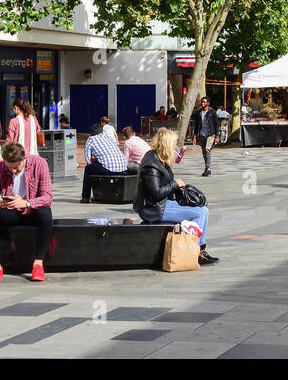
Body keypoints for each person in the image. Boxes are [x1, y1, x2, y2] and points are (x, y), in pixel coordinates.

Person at [0, 141, 54, 282]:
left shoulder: (39, 163)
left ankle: (38, 264)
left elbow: (47, 197)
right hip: (9, 211)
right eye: (9, 167)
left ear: (24, 159)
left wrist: (26, 203)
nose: (13, 171)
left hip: (31, 212)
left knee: (46, 213)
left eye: (16, 168)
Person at [134, 129, 218, 264]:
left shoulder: (160, 159)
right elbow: (155, 194)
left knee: (203, 209)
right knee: (199, 213)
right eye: (174, 143)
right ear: (167, 144)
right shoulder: (151, 165)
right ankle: (194, 251)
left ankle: (200, 249)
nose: (175, 146)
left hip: (162, 203)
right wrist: (175, 184)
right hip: (154, 208)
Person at [81, 118, 128, 202]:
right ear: (102, 131)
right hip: (123, 167)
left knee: (88, 169)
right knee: (98, 166)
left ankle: (85, 197)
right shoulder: (108, 137)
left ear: (91, 134)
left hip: (109, 169)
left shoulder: (91, 140)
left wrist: (93, 161)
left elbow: (88, 161)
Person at [189, 96, 220, 178]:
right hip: (202, 134)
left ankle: (208, 168)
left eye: (204, 102)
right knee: (203, 151)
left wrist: (217, 136)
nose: (202, 103)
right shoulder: (199, 112)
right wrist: (195, 136)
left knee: (207, 149)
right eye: (202, 102)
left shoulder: (212, 112)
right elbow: (196, 125)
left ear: (208, 103)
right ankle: (207, 168)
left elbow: (216, 125)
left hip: (210, 134)